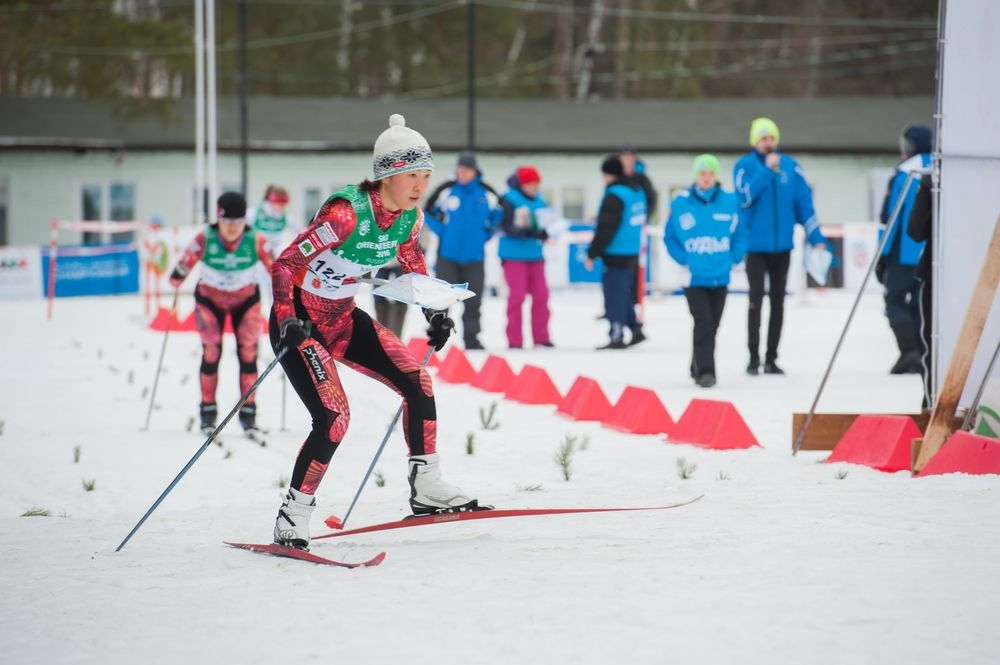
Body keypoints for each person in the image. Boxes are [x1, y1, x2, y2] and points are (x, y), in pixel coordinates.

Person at [268, 114, 478, 550]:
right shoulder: (345, 215)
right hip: (301, 322)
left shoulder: (409, 219)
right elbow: (286, 262)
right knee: (334, 417)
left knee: (418, 381)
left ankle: (427, 486)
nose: (420, 185)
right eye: (411, 176)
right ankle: (294, 513)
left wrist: (434, 310)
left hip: (342, 319)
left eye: (426, 175)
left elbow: (413, 263)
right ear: (386, 175)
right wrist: (287, 315)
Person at [168, 192, 272, 437]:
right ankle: (207, 413)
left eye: (238, 222)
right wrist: (177, 276)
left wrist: (288, 289)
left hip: (245, 301)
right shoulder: (206, 237)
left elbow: (277, 267)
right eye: (227, 222)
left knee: (248, 354)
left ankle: (249, 415)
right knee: (211, 351)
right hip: (210, 301)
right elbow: (183, 263)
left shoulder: (255, 239)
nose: (232, 228)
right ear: (218, 220)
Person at [734, 117, 828, 375]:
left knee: (778, 302)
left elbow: (804, 205)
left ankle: (771, 358)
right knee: (755, 301)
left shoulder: (791, 168)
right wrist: (766, 171)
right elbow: (744, 198)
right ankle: (753, 358)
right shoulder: (744, 166)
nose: (769, 143)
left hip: (782, 248)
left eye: (772, 138)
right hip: (755, 248)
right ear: (755, 141)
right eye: (763, 138)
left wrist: (816, 237)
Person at [665, 154, 747, 387]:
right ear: (696, 176)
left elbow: (740, 232)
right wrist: (685, 258)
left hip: (720, 275)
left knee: (712, 326)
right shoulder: (680, 204)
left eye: (711, 173)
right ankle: (706, 373)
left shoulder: (730, 201)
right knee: (703, 322)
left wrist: (735, 257)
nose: (707, 178)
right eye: (702, 173)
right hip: (694, 278)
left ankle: (696, 364)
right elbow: (670, 237)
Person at [424, 150, 505, 350]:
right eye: (459, 169)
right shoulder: (446, 191)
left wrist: (485, 235)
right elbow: (428, 211)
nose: (462, 173)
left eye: (466, 170)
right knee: (441, 300)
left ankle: (472, 339)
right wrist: (442, 232)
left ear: (474, 171)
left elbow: (499, 215)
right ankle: (436, 338)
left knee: (473, 301)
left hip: (474, 257)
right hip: (447, 256)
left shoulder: (485, 193)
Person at [876, 124, 932, 375]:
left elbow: (892, 217)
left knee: (895, 301)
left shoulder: (905, 173)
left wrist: (883, 255)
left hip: (904, 251)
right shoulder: (939, 167)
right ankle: (924, 352)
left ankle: (909, 350)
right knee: (921, 304)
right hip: (931, 253)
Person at [585, 155, 648, 350]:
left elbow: (606, 227)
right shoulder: (637, 190)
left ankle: (616, 334)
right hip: (633, 250)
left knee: (613, 294)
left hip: (615, 251)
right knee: (624, 293)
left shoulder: (614, 195)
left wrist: (592, 252)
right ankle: (635, 328)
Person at [498, 165, 554, 349]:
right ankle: (515, 340)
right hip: (514, 256)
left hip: (535, 255)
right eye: (530, 184)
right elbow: (506, 226)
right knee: (517, 297)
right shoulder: (509, 199)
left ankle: (542, 337)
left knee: (541, 296)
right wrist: (527, 232)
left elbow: (542, 224)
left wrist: (544, 233)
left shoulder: (540, 200)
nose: (534, 188)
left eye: (536, 184)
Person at [907, 172, 934, 408]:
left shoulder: (931, 179)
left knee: (932, 342)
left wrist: (925, 190)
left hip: (936, 272)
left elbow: (914, 231)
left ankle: (931, 403)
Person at [249, 185, 297, 255]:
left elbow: (301, 232)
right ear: (271, 201)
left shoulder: (286, 217)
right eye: (280, 203)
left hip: (275, 253)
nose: (282, 207)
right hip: (256, 251)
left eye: (284, 204)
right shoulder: (255, 212)